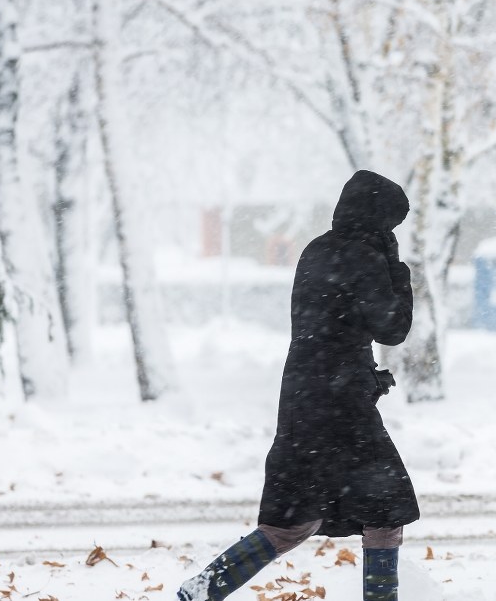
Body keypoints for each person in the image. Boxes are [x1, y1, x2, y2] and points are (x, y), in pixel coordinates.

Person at [178, 170, 418, 601]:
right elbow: (392, 328)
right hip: (342, 403)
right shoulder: (365, 256)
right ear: (379, 218)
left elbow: (330, 326)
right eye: (390, 223)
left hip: (304, 396)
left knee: (293, 518)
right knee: (384, 508)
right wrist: (398, 272)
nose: (391, 232)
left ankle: (203, 589)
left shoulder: (317, 250)